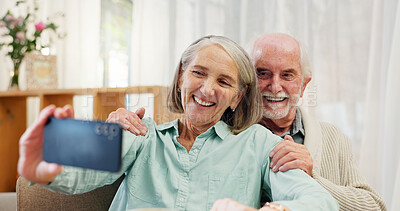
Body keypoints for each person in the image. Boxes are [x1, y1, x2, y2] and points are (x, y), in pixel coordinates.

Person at [17, 35, 338, 211]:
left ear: (238, 97)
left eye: (224, 81)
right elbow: (75, 172)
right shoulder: (141, 133)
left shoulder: (259, 142)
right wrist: (44, 165)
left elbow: (318, 201)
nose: (208, 88)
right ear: (181, 77)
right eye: (198, 73)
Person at [251, 33, 386, 211]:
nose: (275, 86)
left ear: (304, 85)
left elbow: (374, 206)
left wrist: (313, 178)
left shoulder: (333, 137)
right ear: (248, 79)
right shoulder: (229, 135)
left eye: (287, 75)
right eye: (263, 73)